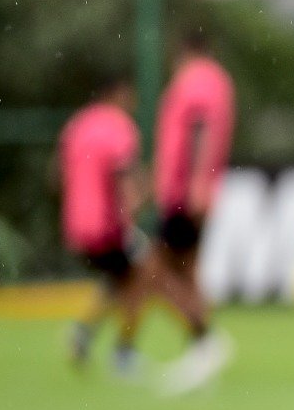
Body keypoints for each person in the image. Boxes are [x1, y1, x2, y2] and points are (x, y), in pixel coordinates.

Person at [60, 74, 220, 386]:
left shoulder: (77, 126)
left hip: (76, 228)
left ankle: (86, 335)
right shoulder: (118, 128)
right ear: (117, 93)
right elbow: (126, 183)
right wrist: (143, 198)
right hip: (107, 229)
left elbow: (56, 176)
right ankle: (151, 346)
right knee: (150, 275)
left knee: (127, 280)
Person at [152, 29, 236, 391]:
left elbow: (200, 129)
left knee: (155, 271)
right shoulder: (217, 80)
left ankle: (205, 340)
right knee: (186, 271)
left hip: (184, 193)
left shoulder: (196, 79)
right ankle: (201, 349)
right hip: (191, 190)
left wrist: (198, 182)